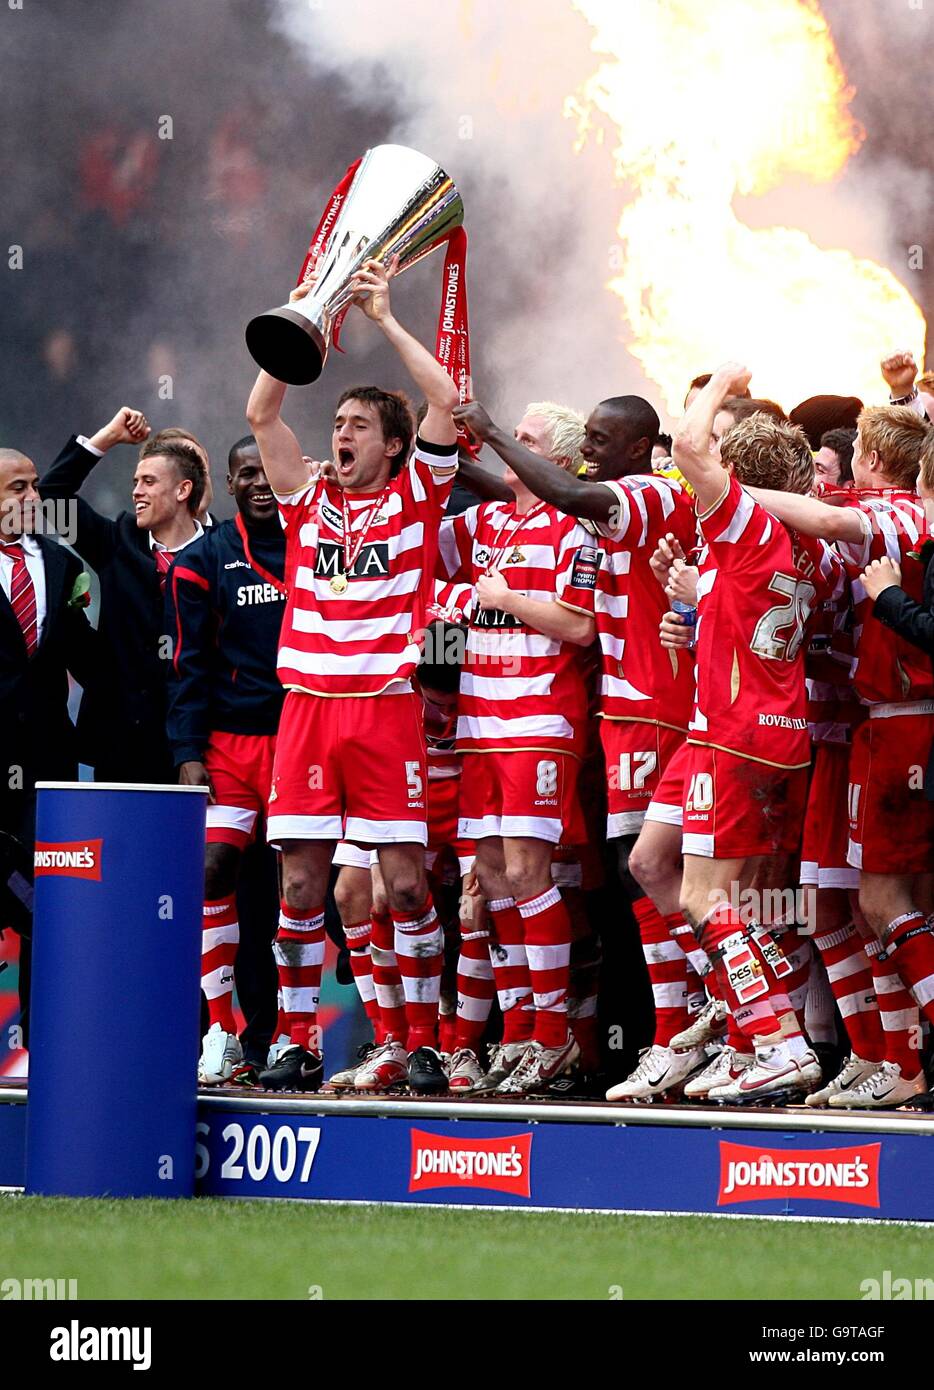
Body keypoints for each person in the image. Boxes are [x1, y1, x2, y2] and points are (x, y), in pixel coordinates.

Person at [246, 257, 459, 1095]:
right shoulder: (303, 501)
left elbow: (446, 400)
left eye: (358, 426)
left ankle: (422, 1041)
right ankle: (297, 1040)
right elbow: (262, 409)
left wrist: (384, 318)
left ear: (393, 444)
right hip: (306, 709)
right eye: (336, 422)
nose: (340, 434)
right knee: (300, 879)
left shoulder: (415, 499)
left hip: (382, 711)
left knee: (405, 886)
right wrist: (310, 318)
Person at [454, 396, 702, 1100]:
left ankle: (726, 1016)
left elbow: (561, 492)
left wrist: (492, 429)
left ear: (642, 446)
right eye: (584, 437)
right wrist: (448, 446)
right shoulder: (591, 505)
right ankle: (682, 1030)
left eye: (602, 438)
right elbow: (529, 485)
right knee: (634, 875)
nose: (592, 447)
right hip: (618, 713)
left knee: (652, 873)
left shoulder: (646, 494)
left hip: (651, 707)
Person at [666, 363, 844, 1103]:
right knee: (758, 903)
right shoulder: (822, 553)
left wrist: (719, 383)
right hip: (787, 735)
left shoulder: (744, 520)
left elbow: (684, 445)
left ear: (740, 474)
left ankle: (775, 1039)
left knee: (704, 900)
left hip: (731, 733)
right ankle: (751, 1041)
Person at [750, 404, 934, 1107]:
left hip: (896, 725)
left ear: (878, 460)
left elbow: (829, 524)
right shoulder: (882, 513)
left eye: (855, 451)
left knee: (881, 903)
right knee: (860, 908)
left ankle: (904, 1062)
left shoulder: (898, 513)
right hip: (869, 730)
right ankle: (887, 1059)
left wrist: (724, 491)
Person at [438, 416, 602, 1095]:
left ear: (556, 460)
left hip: (539, 720)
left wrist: (510, 599)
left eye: (528, 440)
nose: (512, 446)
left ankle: (555, 1036)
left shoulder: (576, 530)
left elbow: (582, 626)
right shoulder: (482, 525)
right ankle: (517, 1031)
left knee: (530, 874)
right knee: (493, 881)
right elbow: (425, 567)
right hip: (479, 724)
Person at [165, 434, 286, 1086]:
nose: (261, 484)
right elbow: (186, 668)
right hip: (229, 746)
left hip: (301, 738)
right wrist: (188, 753)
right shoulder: (202, 561)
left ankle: (288, 1036)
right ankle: (220, 1030)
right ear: (230, 484)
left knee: (300, 892)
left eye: (269, 472)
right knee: (214, 871)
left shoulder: (320, 550)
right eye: (247, 474)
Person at [39, 409, 205, 782]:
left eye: (148, 481)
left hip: (197, 747)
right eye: (135, 481)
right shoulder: (117, 541)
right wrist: (109, 437)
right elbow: (52, 497)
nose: (136, 491)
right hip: (121, 745)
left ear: (183, 490)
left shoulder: (219, 552)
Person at [0, 447, 97, 1045]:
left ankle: (44, 1046)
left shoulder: (61, 564)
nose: (32, 499)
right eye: (17, 489)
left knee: (51, 899)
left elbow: (90, 661)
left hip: (48, 763)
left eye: (36, 487)